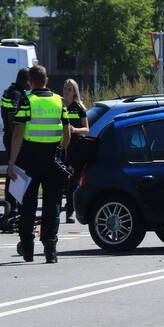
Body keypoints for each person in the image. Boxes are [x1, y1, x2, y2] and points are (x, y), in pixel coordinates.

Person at [7, 65, 71, 264]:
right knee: (52, 205)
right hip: (52, 157)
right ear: (47, 80)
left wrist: (11, 162)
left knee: (27, 205)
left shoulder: (27, 100)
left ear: (30, 82)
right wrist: (59, 151)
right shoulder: (59, 101)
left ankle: (28, 249)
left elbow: (18, 133)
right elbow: (67, 133)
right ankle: (50, 248)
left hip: (29, 158)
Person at [0, 68, 30, 210]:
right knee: (15, 173)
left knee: (14, 173)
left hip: (9, 137)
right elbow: (13, 120)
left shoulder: (10, 91)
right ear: (25, 80)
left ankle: (12, 206)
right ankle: (12, 208)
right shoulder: (15, 94)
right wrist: (18, 142)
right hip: (13, 139)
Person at [60, 78, 89, 223]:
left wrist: (75, 129)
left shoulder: (79, 108)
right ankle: (55, 209)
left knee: (72, 182)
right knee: (59, 180)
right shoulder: (59, 105)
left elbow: (86, 129)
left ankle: (70, 212)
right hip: (61, 147)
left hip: (75, 148)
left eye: (69, 89)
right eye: (65, 88)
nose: (66, 91)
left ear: (74, 92)